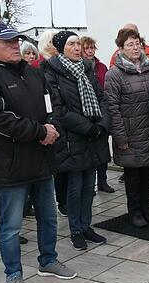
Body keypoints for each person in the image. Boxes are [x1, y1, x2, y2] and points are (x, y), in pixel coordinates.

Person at [0, 24, 76, 283]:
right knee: (11, 225)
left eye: (16, 40)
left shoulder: (33, 72)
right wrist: (40, 132)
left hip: (42, 159)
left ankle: (48, 260)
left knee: (48, 217)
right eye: (7, 42)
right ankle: (13, 275)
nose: (15, 45)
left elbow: (51, 105)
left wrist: (51, 127)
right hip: (12, 164)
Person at [44, 31, 109, 250]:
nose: (77, 48)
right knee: (75, 187)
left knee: (90, 186)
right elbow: (58, 109)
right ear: (61, 47)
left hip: (93, 137)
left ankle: (86, 225)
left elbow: (101, 97)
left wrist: (101, 124)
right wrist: (87, 127)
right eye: (71, 44)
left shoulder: (87, 68)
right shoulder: (52, 71)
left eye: (78, 44)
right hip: (72, 139)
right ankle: (75, 230)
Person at [104, 28, 149, 228]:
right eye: (130, 44)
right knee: (133, 177)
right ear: (120, 49)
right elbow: (112, 108)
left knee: (148, 175)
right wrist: (120, 137)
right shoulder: (115, 74)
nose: (135, 47)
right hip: (130, 134)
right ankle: (135, 211)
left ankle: (148, 208)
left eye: (138, 43)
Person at [34, 28, 69, 215]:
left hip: (62, 120)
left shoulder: (64, 64)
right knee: (58, 165)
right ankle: (61, 200)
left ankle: (65, 199)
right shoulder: (42, 67)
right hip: (52, 121)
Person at [81, 36, 114, 193]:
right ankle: (90, 184)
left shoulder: (101, 67)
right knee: (90, 151)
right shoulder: (79, 67)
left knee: (103, 150)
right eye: (86, 48)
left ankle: (103, 181)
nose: (90, 51)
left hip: (102, 111)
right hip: (87, 113)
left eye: (92, 48)